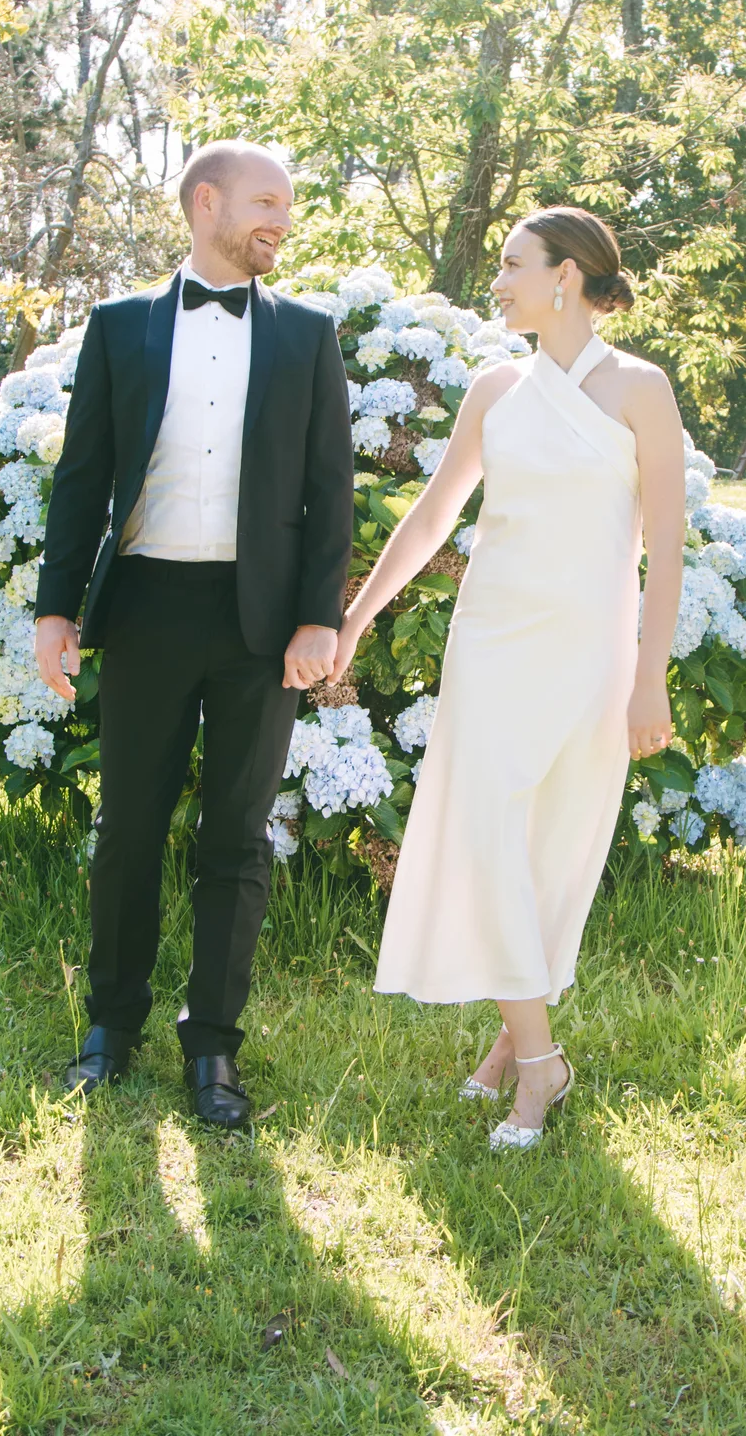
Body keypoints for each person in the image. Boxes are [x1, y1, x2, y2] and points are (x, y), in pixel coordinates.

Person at [329, 208, 685, 1151]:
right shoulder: (495, 388)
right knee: (488, 839)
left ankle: (507, 1045)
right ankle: (541, 1067)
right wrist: (357, 615)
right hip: (491, 644)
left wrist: (650, 681)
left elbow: (669, 552)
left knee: (550, 853)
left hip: (590, 654)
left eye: (512, 265)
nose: (498, 281)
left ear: (566, 276)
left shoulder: (642, 391)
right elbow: (435, 514)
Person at [34, 141, 354, 1129]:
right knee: (126, 827)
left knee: (236, 838)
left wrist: (317, 617)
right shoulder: (119, 329)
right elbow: (82, 477)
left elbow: (328, 492)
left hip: (260, 623)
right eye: (265, 202)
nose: (280, 221)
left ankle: (212, 1046)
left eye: (287, 206)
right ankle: (109, 1027)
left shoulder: (306, 336)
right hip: (149, 608)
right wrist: (55, 609)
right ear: (204, 202)